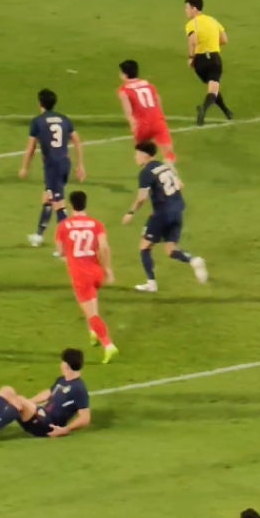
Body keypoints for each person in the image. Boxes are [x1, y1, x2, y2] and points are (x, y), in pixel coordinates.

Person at [124, 141, 208, 292]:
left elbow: (141, 198)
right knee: (170, 249)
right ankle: (193, 260)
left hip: (162, 213)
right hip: (177, 210)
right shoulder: (164, 166)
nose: (135, 157)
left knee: (144, 247)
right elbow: (180, 185)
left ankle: (151, 283)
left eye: (137, 154)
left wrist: (130, 213)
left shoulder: (146, 172)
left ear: (144, 155)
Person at [0, 347, 91, 443]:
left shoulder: (78, 388)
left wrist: (65, 429)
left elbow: (85, 418)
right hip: (41, 415)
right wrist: (27, 403)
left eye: (62, 362)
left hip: (49, 425)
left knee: (19, 400)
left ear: (66, 365)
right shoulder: (62, 380)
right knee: (6, 390)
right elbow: (48, 393)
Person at [54, 191, 118, 362]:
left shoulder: (63, 225)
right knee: (91, 301)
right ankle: (93, 333)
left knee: (91, 314)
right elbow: (104, 248)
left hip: (80, 275)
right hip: (96, 272)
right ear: (85, 203)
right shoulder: (96, 224)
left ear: (71, 205)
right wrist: (107, 270)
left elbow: (60, 251)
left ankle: (108, 345)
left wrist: (65, 255)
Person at [20, 89, 85, 245]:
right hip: (64, 163)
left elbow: (31, 148)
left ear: (39, 103)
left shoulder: (38, 121)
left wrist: (24, 167)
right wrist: (80, 164)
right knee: (48, 197)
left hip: (52, 166)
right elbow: (76, 140)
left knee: (58, 202)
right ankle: (39, 235)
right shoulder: (64, 119)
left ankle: (68, 242)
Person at [184, 0, 231, 124]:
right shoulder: (213, 20)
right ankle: (203, 108)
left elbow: (192, 40)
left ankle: (226, 111)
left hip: (200, 61)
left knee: (212, 88)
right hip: (214, 59)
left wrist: (191, 57)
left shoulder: (191, 24)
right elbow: (224, 40)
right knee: (213, 89)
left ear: (194, 8)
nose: (186, 11)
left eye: (187, 8)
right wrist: (211, 44)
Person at [116, 61, 175, 162]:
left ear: (124, 74)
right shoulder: (148, 84)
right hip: (157, 120)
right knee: (168, 152)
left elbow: (128, 112)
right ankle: (170, 172)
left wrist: (133, 124)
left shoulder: (123, 90)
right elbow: (157, 99)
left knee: (142, 155)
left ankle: (150, 172)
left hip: (142, 124)